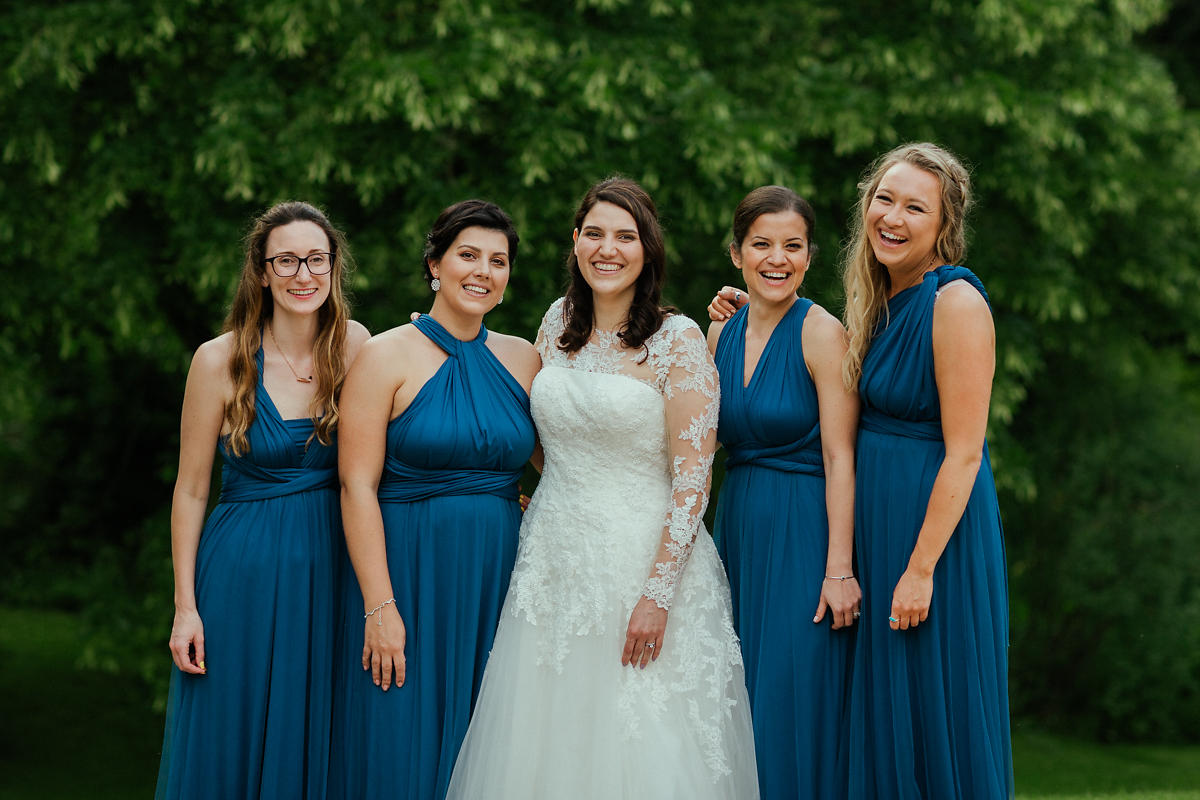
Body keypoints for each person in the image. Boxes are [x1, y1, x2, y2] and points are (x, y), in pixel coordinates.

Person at [710, 143, 1013, 799]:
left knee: (934, 711)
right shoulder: (880, 300)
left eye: (915, 207)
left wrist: (922, 568)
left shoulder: (956, 302)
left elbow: (965, 451)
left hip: (932, 537)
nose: (893, 218)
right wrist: (749, 311)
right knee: (881, 717)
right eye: (884, 199)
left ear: (944, 225)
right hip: (879, 529)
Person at [446, 177, 758, 799]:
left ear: (647, 250)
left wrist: (658, 596)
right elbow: (544, 436)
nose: (607, 249)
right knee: (545, 739)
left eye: (625, 236)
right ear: (575, 241)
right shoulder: (556, 322)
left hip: (643, 567)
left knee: (638, 744)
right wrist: (550, 485)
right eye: (594, 234)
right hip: (551, 564)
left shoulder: (677, 340)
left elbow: (693, 481)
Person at [156, 201, 370, 800]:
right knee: (234, 726)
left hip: (334, 570)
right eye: (287, 260)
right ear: (261, 270)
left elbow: (394, 451)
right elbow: (191, 489)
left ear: (333, 268)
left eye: (317, 260)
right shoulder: (217, 360)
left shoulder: (356, 346)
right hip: (241, 574)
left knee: (324, 730)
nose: (304, 275)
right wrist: (185, 607)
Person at [330, 200, 539, 800]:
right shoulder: (384, 355)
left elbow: (570, 461)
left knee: (492, 747)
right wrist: (380, 606)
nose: (483, 272)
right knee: (401, 741)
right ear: (435, 264)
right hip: (408, 576)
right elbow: (356, 486)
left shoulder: (525, 359)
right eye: (468, 255)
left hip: (500, 578)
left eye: (498, 261)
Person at [706, 186, 859, 799]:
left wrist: (839, 569)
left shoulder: (822, 333)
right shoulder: (719, 334)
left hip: (803, 531)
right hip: (737, 526)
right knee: (732, 697)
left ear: (809, 256)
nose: (777, 259)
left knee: (789, 696)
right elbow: (699, 444)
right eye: (761, 244)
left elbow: (841, 456)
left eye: (792, 246)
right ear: (737, 253)